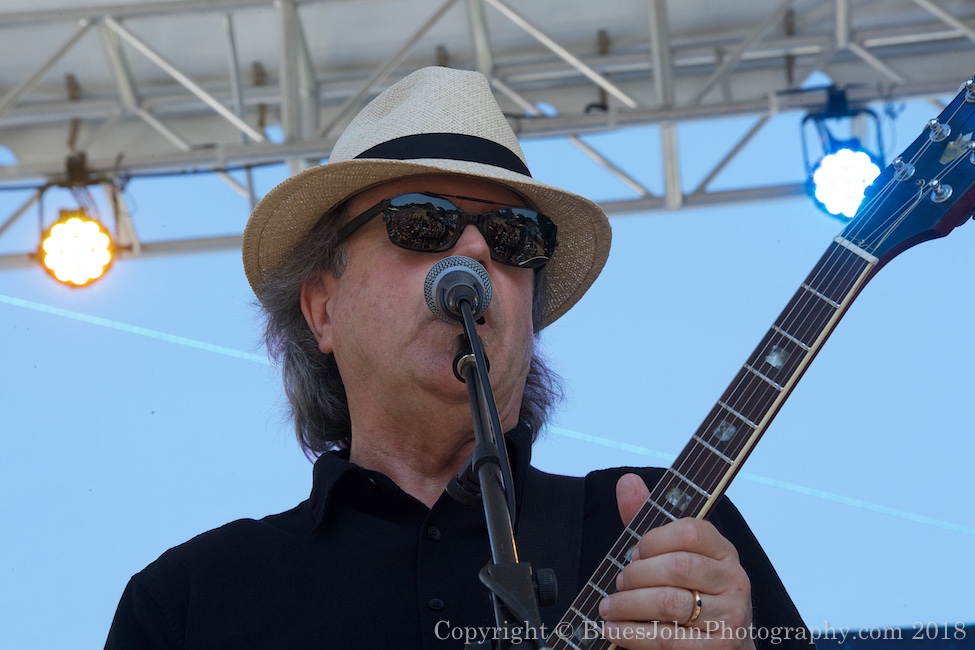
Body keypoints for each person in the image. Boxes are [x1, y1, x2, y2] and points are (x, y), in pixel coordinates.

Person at [105, 66, 810, 649]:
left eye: (512, 238)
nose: (474, 250)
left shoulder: (660, 533)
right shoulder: (193, 601)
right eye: (421, 222)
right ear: (323, 308)